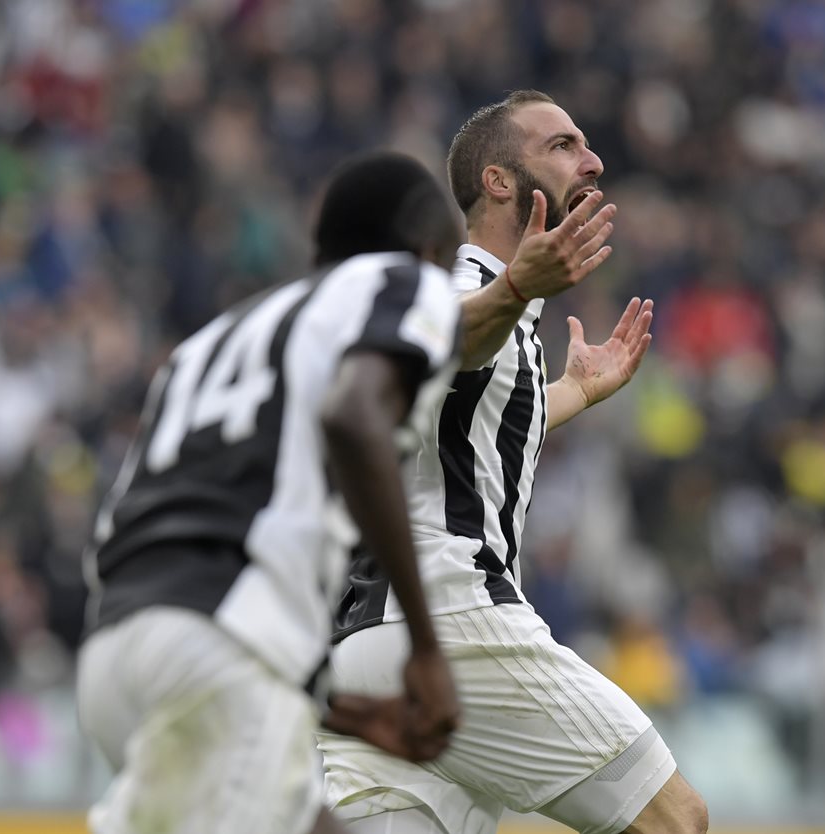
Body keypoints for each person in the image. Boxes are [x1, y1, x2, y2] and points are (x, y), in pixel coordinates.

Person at [319, 90, 709, 834]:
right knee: (675, 821)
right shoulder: (451, 289)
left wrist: (572, 391)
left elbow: (464, 408)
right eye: (562, 145)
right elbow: (431, 345)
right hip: (453, 620)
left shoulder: (503, 321)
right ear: (498, 180)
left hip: (366, 648)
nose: (591, 160)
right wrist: (517, 285)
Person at [76, 152, 468, 834]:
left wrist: (346, 711)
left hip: (114, 655)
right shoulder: (404, 281)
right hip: (217, 662)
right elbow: (353, 418)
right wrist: (427, 651)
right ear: (427, 247)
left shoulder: (208, 341)